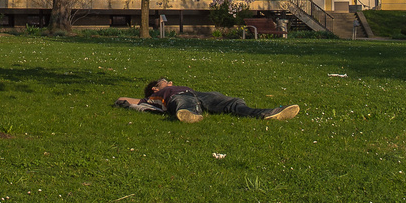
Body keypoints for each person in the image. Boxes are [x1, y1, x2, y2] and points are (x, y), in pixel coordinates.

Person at [115, 78, 299, 123]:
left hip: (199, 94)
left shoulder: (174, 86)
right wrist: (135, 101)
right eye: (164, 81)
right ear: (155, 88)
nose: (169, 81)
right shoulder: (154, 96)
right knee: (183, 103)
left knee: (231, 102)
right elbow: (123, 99)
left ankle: (265, 113)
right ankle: (190, 115)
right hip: (179, 98)